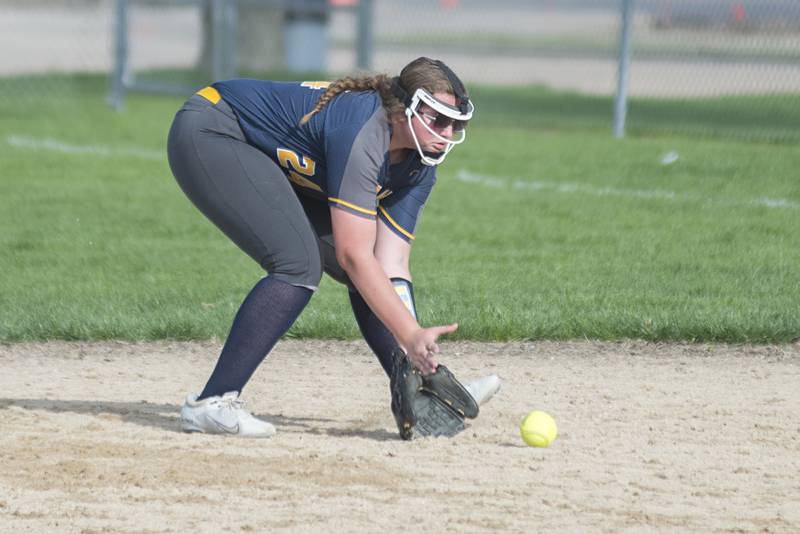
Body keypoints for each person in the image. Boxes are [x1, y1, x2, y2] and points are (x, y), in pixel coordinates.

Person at [168, 56, 496, 438]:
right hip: (213, 128)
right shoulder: (364, 130)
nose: (446, 132)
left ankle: (423, 393)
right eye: (437, 119)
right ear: (402, 109)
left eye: (456, 123)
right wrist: (407, 334)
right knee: (298, 264)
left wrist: (419, 356)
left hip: (264, 153)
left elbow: (390, 264)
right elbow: (353, 255)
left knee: (365, 272)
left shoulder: (420, 164)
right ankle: (211, 403)